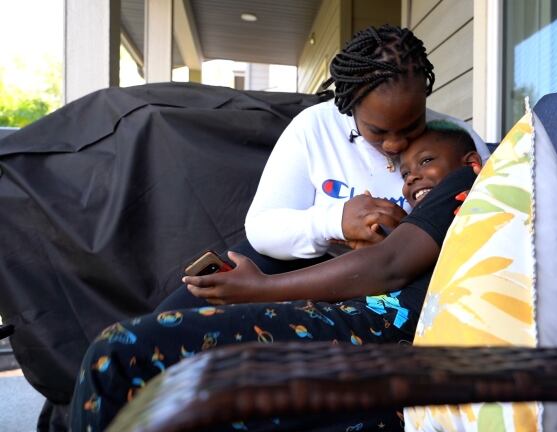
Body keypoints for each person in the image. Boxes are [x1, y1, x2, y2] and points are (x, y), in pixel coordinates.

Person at [69, 121, 483, 432]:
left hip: (375, 333)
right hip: (374, 353)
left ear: (471, 163)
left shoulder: (467, 186)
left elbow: (390, 266)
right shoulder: (443, 220)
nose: (411, 177)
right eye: (407, 172)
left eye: (426, 161)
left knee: (121, 356)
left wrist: (259, 291)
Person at [154, 24, 489, 312]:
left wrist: (402, 238)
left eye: (411, 125)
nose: (394, 145)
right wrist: (334, 222)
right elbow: (262, 228)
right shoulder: (314, 128)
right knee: (176, 315)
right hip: (310, 266)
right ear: (348, 105)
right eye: (378, 131)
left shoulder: (454, 140)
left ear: (425, 99)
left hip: (405, 281)